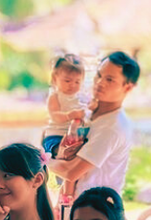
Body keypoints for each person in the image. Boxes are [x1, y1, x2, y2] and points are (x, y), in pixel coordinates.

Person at [47, 51, 138, 198]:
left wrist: (41, 159)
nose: (100, 82)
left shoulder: (112, 128)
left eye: (109, 79)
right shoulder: (89, 114)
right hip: (77, 204)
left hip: (96, 208)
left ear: (127, 88)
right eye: (99, 75)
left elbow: (71, 171)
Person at [39, 52, 88, 157]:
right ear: (55, 78)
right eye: (67, 80)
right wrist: (70, 115)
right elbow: (55, 116)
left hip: (75, 135)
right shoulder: (55, 97)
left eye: (77, 82)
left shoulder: (81, 98)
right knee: (52, 145)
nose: (72, 85)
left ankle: (70, 151)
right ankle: (59, 151)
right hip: (57, 134)